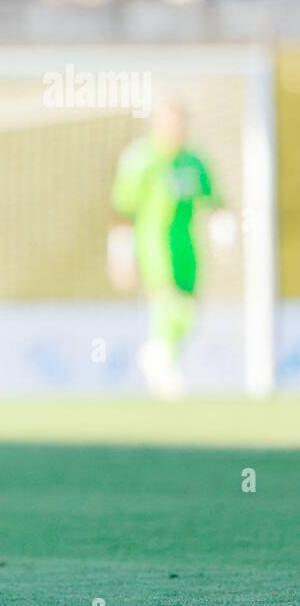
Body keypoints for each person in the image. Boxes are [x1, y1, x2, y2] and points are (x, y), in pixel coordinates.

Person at [110, 97, 234, 399]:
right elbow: (123, 211)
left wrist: (223, 232)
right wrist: (121, 254)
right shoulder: (140, 159)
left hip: (187, 244)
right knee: (168, 302)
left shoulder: (194, 161)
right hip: (154, 242)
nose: (174, 129)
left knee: (189, 309)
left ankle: (161, 356)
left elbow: (214, 201)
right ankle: (161, 360)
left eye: (179, 123)